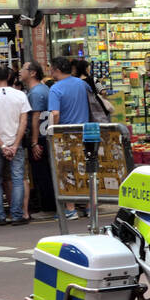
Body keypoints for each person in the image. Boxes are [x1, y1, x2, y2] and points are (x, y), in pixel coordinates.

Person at [47, 57, 93, 219]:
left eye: (51, 69)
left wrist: (53, 130)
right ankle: (89, 207)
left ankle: (70, 209)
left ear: (57, 70)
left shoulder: (55, 89)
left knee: (66, 171)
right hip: (86, 133)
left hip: (65, 135)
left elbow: (55, 114)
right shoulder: (82, 84)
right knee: (85, 170)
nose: (49, 72)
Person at [20, 61, 54, 220]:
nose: (20, 72)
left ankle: (47, 208)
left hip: (39, 138)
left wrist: (34, 142)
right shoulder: (43, 89)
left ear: (32, 73)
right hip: (45, 136)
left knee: (42, 174)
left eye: (23, 69)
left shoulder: (35, 93)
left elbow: (35, 118)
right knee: (46, 172)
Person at [0, 65, 31, 226]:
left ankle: (0, 216)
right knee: (18, 178)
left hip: (0, 144)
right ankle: (17, 215)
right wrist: (15, 144)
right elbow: (23, 121)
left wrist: (3, 145)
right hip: (16, 143)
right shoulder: (20, 95)